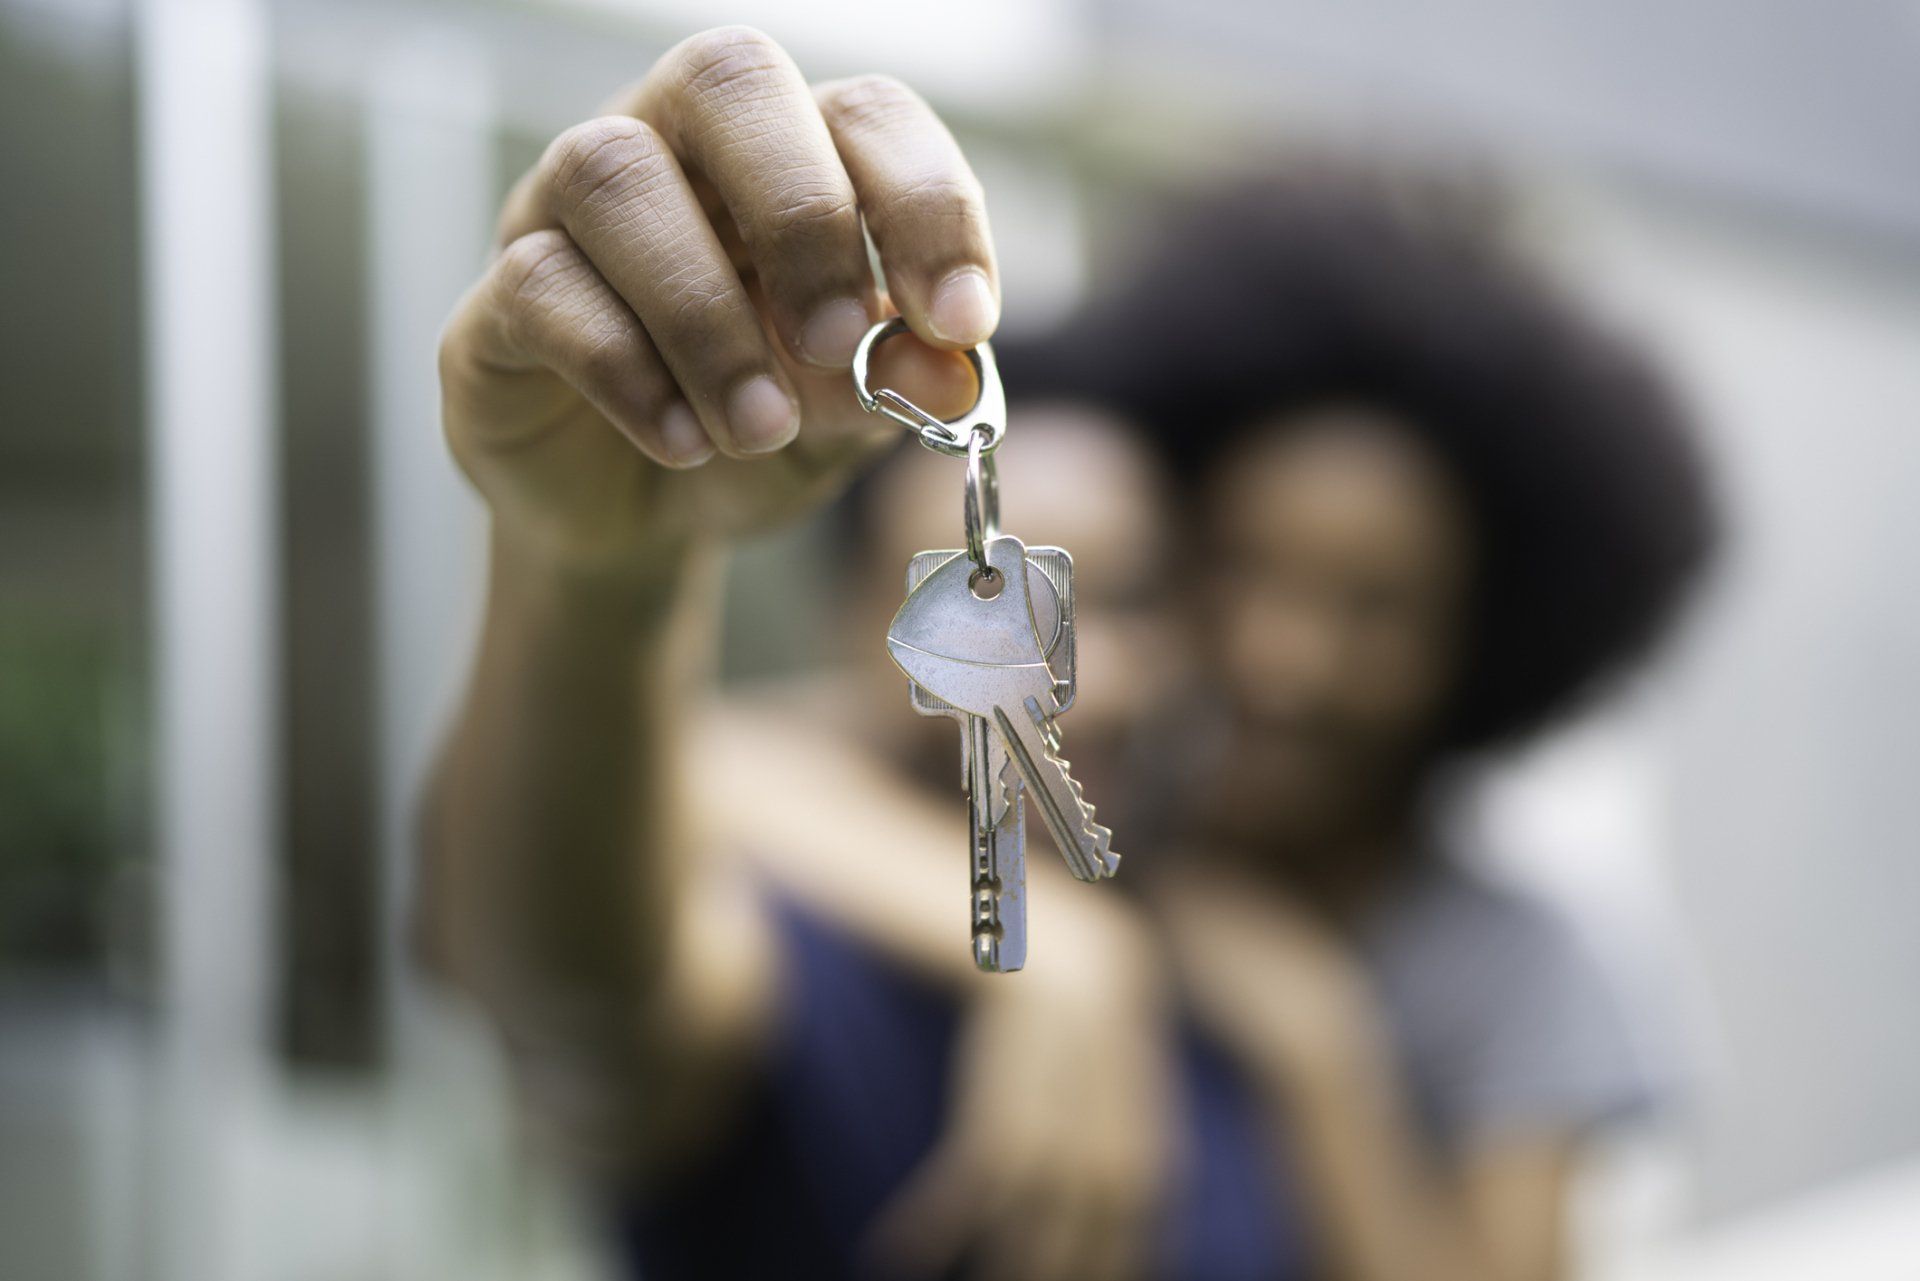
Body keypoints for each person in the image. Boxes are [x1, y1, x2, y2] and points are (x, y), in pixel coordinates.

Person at [422, 26, 1714, 1281]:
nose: (1283, 658)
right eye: (1006, 591)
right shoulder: (814, 956)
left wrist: (1305, 1036)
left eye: (1131, 593)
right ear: (858, 641)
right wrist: (599, 575)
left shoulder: (1401, 957)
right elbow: (591, 955)